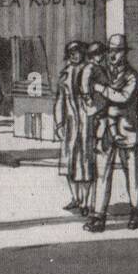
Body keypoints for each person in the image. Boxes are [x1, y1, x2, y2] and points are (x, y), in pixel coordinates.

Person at [84, 34, 138, 233]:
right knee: (101, 174)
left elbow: (122, 97)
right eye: (110, 50)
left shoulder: (132, 76)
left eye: (117, 51)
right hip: (105, 130)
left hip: (127, 129)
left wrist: (100, 88)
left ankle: (137, 211)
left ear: (124, 53)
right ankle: (98, 216)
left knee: (133, 174)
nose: (113, 55)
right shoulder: (101, 71)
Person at [53, 40, 89, 213]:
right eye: (71, 52)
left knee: (85, 164)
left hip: (86, 123)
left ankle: (86, 202)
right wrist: (59, 123)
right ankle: (75, 198)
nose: (74, 55)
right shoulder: (65, 74)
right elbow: (60, 100)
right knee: (69, 164)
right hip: (70, 124)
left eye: (77, 51)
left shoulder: (90, 70)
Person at [75, 40, 107, 217]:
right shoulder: (90, 69)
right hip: (91, 116)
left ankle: (88, 201)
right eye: (98, 54)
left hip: (96, 114)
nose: (100, 57)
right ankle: (86, 202)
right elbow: (85, 93)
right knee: (88, 159)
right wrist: (92, 109)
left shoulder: (97, 68)